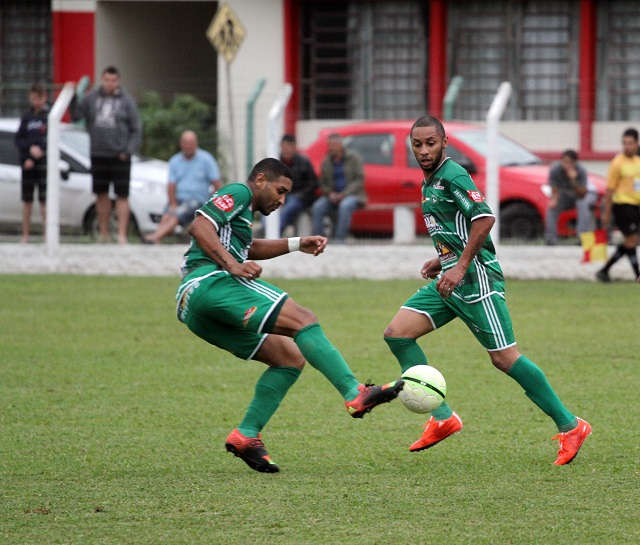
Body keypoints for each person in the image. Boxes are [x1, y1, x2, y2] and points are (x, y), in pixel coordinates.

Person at [383, 115, 591, 466]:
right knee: (398, 335)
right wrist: (443, 258)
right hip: (450, 279)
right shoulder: (428, 182)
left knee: (505, 358)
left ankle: (571, 426)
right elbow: (456, 228)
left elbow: (484, 218)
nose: (423, 150)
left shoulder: (453, 175)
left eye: (430, 143)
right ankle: (442, 417)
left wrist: (461, 264)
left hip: (477, 279)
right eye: (417, 144)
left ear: (444, 142)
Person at [176, 157, 403, 473]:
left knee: (289, 359)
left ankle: (246, 434)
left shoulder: (241, 215)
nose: (282, 200)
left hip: (193, 310)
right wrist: (231, 265)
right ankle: (355, 393)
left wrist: (298, 243)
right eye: (279, 190)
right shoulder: (239, 192)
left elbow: (247, 247)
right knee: (304, 320)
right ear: (260, 180)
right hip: (209, 282)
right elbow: (200, 226)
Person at [70, 66, 141, 244]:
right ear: (102, 80)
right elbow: (76, 115)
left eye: (113, 80)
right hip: (98, 154)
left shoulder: (127, 101)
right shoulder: (91, 98)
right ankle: (103, 233)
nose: (110, 84)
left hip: (120, 156)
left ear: (118, 81)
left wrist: (128, 150)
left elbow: (136, 129)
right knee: (101, 194)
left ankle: (122, 235)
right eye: (107, 80)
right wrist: (72, 96)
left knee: (122, 195)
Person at [143, 130, 221, 244]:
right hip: (179, 198)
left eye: (191, 142)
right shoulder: (175, 161)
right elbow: (171, 186)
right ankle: (157, 238)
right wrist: (172, 203)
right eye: (186, 142)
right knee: (167, 214)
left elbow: (216, 183)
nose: (188, 145)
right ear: (181, 144)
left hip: (197, 199)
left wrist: (211, 203)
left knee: (177, 214)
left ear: (196, 143)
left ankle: (155, 237)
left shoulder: (207, 159)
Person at [596, 128, 640, 283]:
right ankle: (637, 274)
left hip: (636, 206)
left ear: (637, 143)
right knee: (632, 239)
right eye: (624, 143)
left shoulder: (637, 161)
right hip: (622, 206)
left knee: (631, 242)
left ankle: (604, 270)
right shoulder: (617, 163)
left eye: (630, 143)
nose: (627, 147)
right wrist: (606, 213)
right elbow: (609, 190)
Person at [311, 133, 365, 242]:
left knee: (344, 206)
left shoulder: (353, 158)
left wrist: (344, 194)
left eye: (334, 144)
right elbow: (322, 183)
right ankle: (318, 239)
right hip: (332, 195)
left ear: (341, 144)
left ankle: (339, 240)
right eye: (330, 144)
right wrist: (329, 193)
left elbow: (359, 179)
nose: (332, 147)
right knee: (317, 207)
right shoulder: (326, 161)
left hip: (352, 194)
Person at [14, 82, 49, 244]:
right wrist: (28, 154)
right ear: (30, 98)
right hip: (28, 164)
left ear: (45, 98)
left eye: (40, 98)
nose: (37, 102)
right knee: (27, 201)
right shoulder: (26, 117)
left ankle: (47, 235)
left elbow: (52, 139)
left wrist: (41, 151)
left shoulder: (49, 116)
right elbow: (19, 139)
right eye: (34, 98)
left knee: (45, 201)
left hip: (43, 164)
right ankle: (25, 235)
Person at [544, 149, 597, 246]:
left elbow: (582, 194)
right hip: (567, 196)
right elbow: (554, 187)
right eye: (564, 162)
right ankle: (550, 239)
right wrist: (554, 198)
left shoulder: (581, 170)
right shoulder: (555, 169)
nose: (566, 165)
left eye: (569, 163)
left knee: (582, 204)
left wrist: (573, 180)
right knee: (551, 208)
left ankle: (582, 238)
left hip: (585, 194)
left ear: (575, 163)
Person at [278, 133, 318, 236]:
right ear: (281, 146)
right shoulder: (275, 162)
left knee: (289, 208)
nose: (288, 149)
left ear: (295, 147)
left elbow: (313, 183)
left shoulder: (303, 162)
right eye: (285, 146)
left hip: (297, 196)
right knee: (267, 214)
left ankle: (275, 235)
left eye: (290, 146)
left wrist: (301, 195)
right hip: (279, 196)